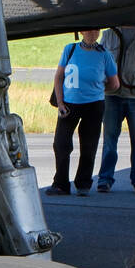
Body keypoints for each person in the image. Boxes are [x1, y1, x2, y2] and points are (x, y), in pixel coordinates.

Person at [46, 29, 119, 196]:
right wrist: (60, 103)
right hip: (69, 105)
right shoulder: (69, 49)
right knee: (61, 144)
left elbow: (115, 84)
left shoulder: (104, 54)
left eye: (96, 30)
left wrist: (98, 90)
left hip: (94, 105)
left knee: (88, 145)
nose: (93, 33)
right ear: (81, 31)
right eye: (89, 30)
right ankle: (61, 184)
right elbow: (58, 77)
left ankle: (83, 183)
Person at [96, 27, 135, 194]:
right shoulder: (109, 33)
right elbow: (100, 60)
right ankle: (105, 179)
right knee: (109, 140)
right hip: (112, 95)